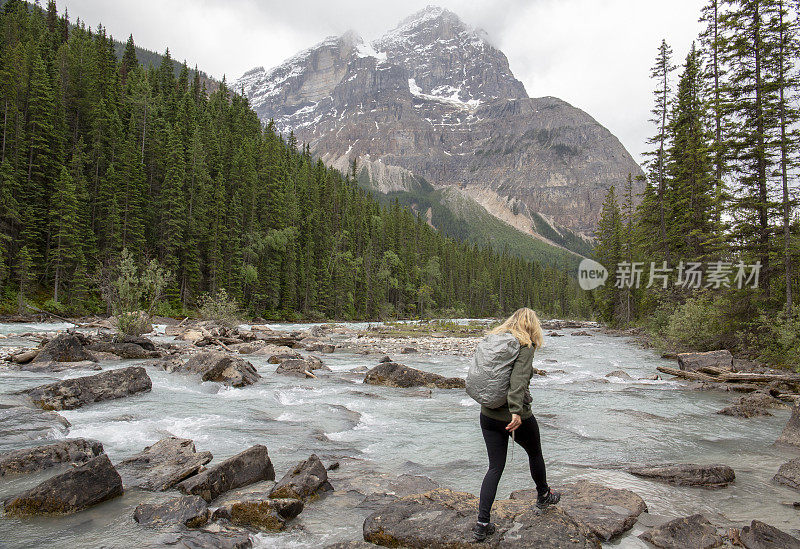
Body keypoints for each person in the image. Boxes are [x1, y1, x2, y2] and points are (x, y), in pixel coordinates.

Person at [472, 307, 560, 542]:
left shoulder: (494, 340)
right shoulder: (525, 345)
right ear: (532, 325)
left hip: (487, 415)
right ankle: (543, 494)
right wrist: (516, 412)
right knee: (535, 453)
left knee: (494, 468)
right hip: (514, 417)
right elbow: (518, 380)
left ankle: (482, 524)